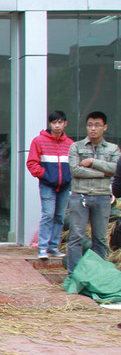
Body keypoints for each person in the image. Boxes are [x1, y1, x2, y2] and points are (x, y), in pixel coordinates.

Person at [68, 111, 119, 272]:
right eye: (90, 125)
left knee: (100, 239)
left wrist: (92, 162)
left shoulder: (113, 149)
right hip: (80, 195)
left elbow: (116, 169)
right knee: (76, 237)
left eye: (97, 125)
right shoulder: (76, 146)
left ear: (105, 127)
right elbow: (75, 171)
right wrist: (104, 173)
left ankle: (96, 274)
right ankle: (74, 274)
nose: (93, 128)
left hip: (102, 196)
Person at [26, 110, 73, 260]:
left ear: (65, 123)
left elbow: (74, 165)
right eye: (54, 122)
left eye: (60, 122)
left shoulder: (71, 144)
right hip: (48, 185)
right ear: (49, 124)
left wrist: (69, 177)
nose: (57, 125)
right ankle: (43, 247)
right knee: (48, 214)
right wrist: (45, 175)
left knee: (59, 216)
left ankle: (53, 246)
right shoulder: (39, 141)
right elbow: (32, 163)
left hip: (65, 185)